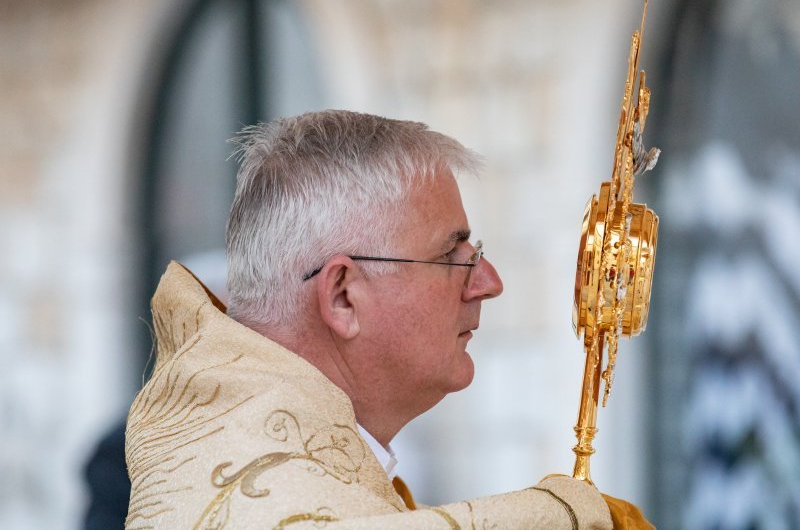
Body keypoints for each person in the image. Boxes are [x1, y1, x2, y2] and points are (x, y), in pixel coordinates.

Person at [125, 110, 652, 528]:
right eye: (452, 256)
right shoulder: (267, 497)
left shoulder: (261, 453)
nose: (488, 282)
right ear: (343, 297)